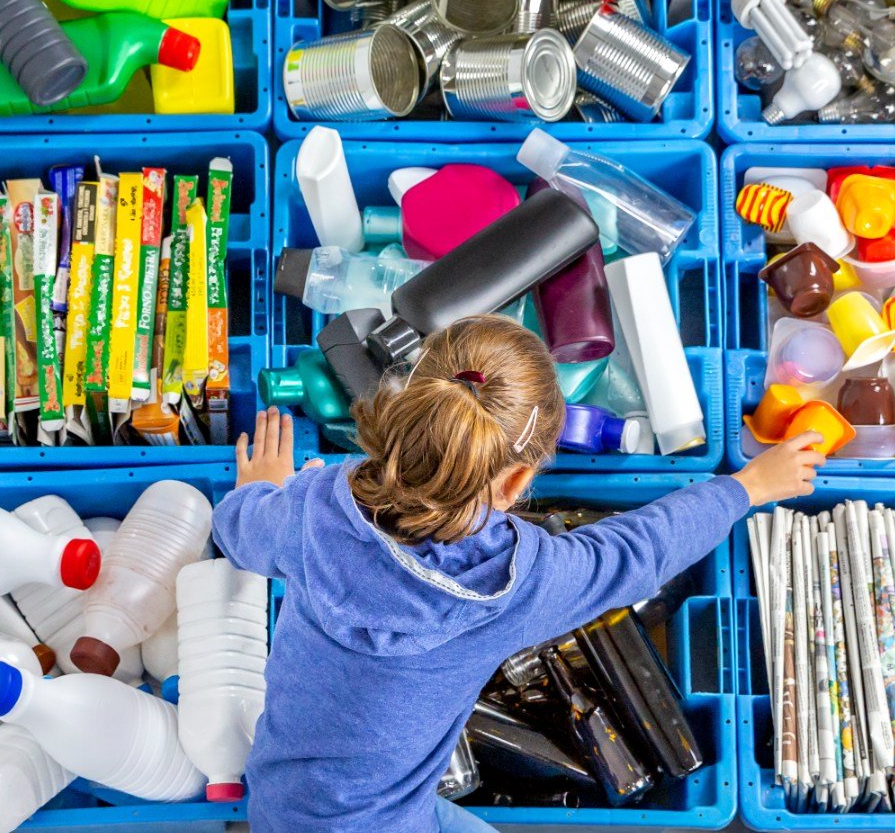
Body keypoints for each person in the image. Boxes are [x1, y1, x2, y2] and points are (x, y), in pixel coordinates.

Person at [215, 315, 824, 832]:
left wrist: (261, 493)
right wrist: (746, 486)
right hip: (387, 819)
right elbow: (639, 552)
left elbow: (235, 532)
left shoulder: (309, 506)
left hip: (285, 800)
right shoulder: (512, 582)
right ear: (513, 484)